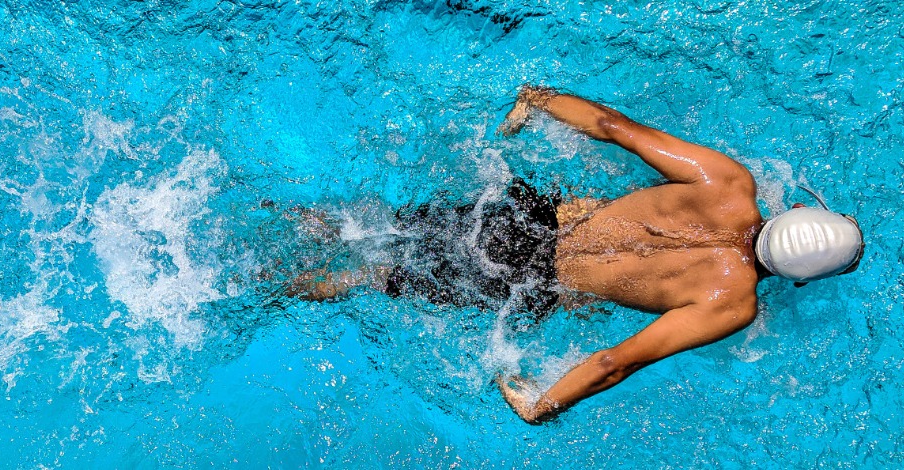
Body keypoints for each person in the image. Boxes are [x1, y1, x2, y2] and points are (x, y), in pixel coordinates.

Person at [284, 85, 864, 424]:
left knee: (366, 226)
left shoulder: (728, 183)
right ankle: (272, 284)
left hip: (522, 217)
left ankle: (283, 218)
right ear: (801, 279)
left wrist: (539, 100)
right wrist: (542, 404)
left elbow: (614, 126)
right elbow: (617, 361)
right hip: (529, 282)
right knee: (373, 277)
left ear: (795, 211)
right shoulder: (732, 303)